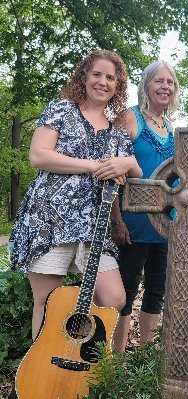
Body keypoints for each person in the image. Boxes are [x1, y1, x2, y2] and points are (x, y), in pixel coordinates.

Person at [8, 50, 142, 341]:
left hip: (94, 226)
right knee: (47, 300)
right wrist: (95, 166)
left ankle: (80, 366)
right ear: (84, 76)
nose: (103, 82)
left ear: (118, 85)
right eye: (97, 74)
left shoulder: (117, 131)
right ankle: (42, 376)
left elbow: (137, 173)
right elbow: (38, 155)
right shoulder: (62, 109)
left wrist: (128, 163)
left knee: (114, 297)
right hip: (50, 219)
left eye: (110, 77)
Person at [111, 61, 179, 352]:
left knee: (156, 291)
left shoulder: (170, 127)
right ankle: (118, 359)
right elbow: (110, 170)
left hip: (166, 223)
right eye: (158, 81)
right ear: (146, 86)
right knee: (126, 290)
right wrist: (116, 219)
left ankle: (145, 356)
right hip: (132, 222)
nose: (165, 86)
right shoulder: (129, 118)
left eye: (170, 82)